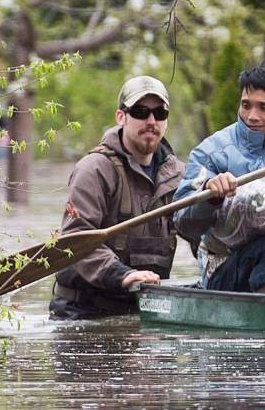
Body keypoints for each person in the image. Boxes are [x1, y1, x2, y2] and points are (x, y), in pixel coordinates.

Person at [173, 60, 265, 293]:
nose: (251, 116)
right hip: (225, 266)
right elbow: (183, 223)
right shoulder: (211, 151)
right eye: (245, 105)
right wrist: (209, 195)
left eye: (264, 108)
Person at [49, 76, 187, 320]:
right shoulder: (93, 169)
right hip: (81, 312)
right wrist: (122, 275)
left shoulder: (179, 174)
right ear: (121, 117)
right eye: (140, 111)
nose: (151, 121)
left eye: (160, 113)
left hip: (142, 311)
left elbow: (199, 232)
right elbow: (74, 240)